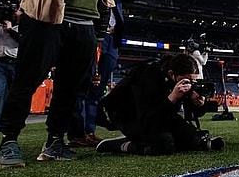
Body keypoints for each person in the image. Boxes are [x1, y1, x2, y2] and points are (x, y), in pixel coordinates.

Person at [0, 0, 120, 168]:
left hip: (85, 21)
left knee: (71, 88)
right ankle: (8, 141)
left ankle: (54, 141)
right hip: (47, 17)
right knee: (28, 79)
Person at [68, 0, 140, 148]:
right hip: (89, 36)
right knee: (82, 85)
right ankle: (76, 133)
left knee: (98, 89)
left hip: (110, 40)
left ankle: (89, 131)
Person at [95, 53, 224, 155]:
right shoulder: (148, 77)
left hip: (158, 113)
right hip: (128, 114)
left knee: (192, 138)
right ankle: (122, 144)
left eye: (192, 81)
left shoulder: (179, 81)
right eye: (185, 80)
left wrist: (198, 104)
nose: (188, 84)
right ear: (171, 74)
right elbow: (147, 119)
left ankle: (146, 139)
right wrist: (172, 98)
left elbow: (185, 116)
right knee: (164, 144)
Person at [0, 7, 20, 134]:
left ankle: (13, 122)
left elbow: (23, 41)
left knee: (14, 94)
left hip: (15, 63)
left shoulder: (20, 28)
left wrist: (10, 30)